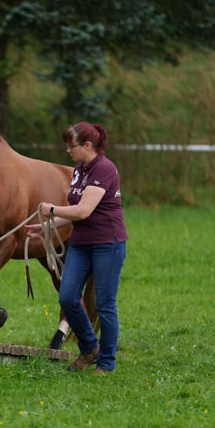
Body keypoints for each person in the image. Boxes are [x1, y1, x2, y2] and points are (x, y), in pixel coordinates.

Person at [28, 122, 128, 373]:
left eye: (71, 146)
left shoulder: (104, 169)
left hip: (108, 244)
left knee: (105, 304)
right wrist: (48, 227)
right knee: (67, 296)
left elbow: (83, 210)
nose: (67, 150)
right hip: (81, 244)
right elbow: (76, 215)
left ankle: (106, 363)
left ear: (87, 145)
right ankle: (89, 347)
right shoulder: (79, 170)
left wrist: (51, 210)